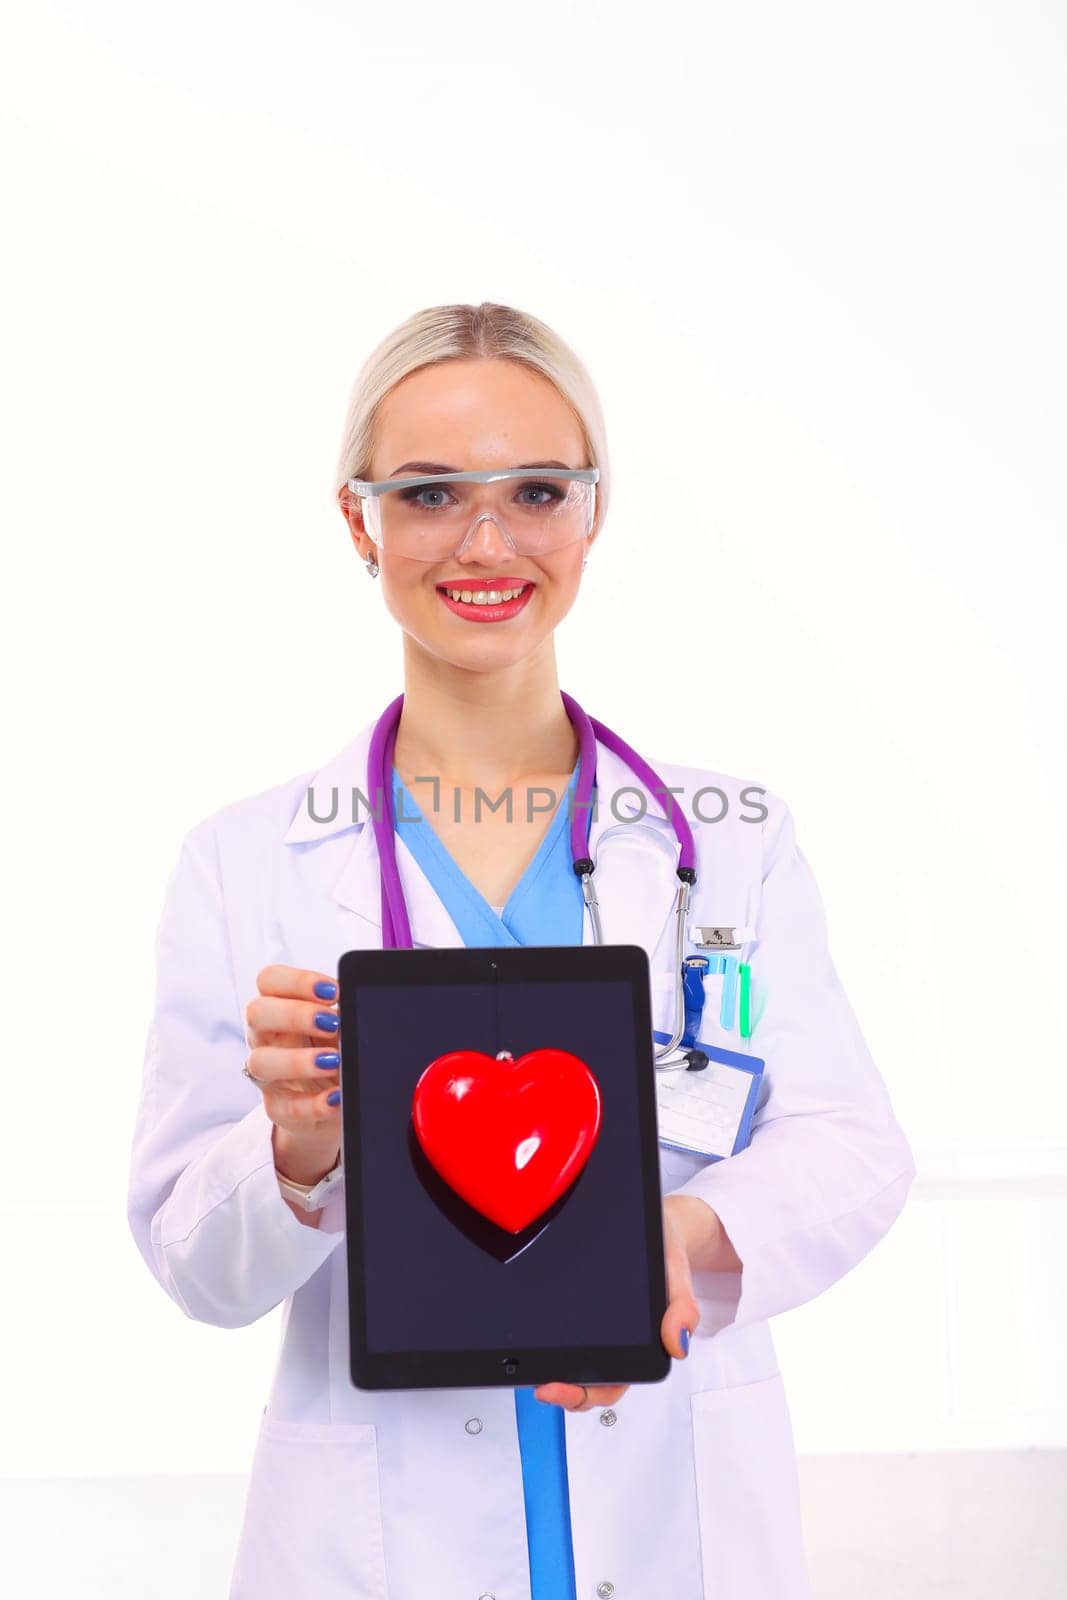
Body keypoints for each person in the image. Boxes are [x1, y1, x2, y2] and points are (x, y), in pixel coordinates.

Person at [127, 300, 915, 1600]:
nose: (486, 543)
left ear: (594, 510)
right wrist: (295, 1152)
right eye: (430, 493)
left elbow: (850, 1146)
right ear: (357, 518)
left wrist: (673, 1238)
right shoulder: (250, 862)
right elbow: (193, 1266)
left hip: (676, 1520)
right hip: (380, 1549)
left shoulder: (725, 844)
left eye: (537, 489)